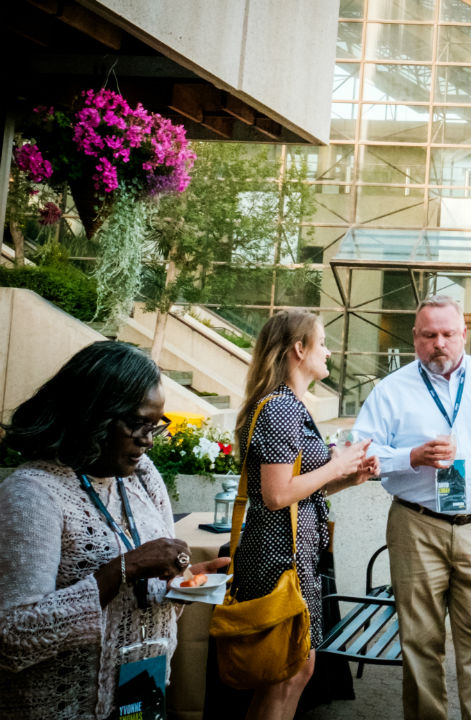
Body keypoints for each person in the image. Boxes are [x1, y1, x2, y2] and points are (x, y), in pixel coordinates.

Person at [0, 341, 229, 719]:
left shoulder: (143, 475)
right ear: (92, 414)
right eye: (137, 423)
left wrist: (179, 586)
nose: (148, 439)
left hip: (142, 691)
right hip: (69, 706)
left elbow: (141, 595)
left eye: (155, 425)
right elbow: (12, 637)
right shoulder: (32, 495)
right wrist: (125, 568)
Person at [353, 295, 471, 720]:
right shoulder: (390, 390)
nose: (439, 343)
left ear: (463, 335)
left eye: (448, 334)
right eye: (429, 334)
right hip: (416, 526)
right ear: (414, 338)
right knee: (419, 641)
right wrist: (409, 457)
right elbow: (359, 454)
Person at [230, 309, 378, 720]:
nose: (329, 352)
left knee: (292, 673)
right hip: (279, 562)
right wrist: (338, 463)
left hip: (289, 559)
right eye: (323, 342)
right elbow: (277, 496)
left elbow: (297, 492)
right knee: (287, 673)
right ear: (299, 349)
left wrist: (349, 477)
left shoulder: (286, 405)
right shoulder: (280, 408)